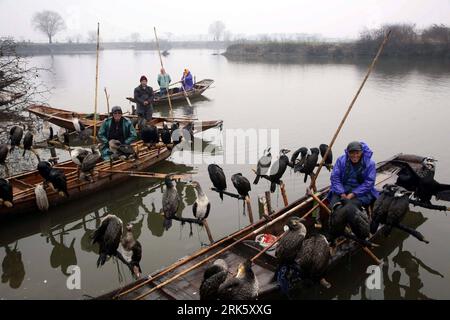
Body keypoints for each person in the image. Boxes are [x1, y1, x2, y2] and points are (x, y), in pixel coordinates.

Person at [328, 141, 379, 208]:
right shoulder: (341, 161)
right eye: (351, 153)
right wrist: (341, 193)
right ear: (348, 152)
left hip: (361, 192)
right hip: (342, 190)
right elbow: (335, 178)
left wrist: (353, 194)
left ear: (362, 152)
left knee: (352, 207)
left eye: (357, 153)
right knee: (334, 206)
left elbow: (369, 183)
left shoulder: (370, 164)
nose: (355, 156)